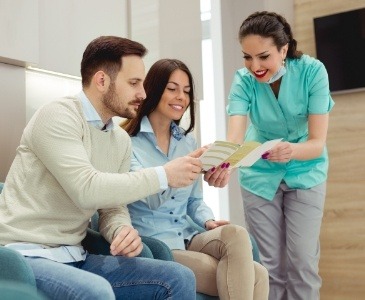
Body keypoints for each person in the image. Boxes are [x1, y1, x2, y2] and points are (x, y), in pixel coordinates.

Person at [0, 36, 205, 299]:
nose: (143, 93)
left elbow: (112, 207)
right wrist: (163, 175)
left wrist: (120, 230)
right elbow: (87, 189)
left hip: (76, 255)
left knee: (177, 277)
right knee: (96, 291)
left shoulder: (118, 139)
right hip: (26, 255)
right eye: (133, 83)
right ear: (101, 81)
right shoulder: (57, 116)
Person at [123, 58, 269, 300]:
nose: (181, 96)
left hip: (188, 235)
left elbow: (194, 201)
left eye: (187, 91)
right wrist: (179, 169)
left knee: (237, 235)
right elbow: (150, 200)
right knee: (257, 276)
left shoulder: (187, 142)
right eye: (172, 89)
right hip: (156, 244)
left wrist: (208, 221)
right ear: (153, 89)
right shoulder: (127, 143)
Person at [226, 11, 335, 300]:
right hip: (259, 175)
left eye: (263, 56)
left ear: (283, 49)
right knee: (268, 267)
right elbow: (235, 138)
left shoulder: (313, 72)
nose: (255, 66)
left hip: (305, 170)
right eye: (247, 57)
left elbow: (316, 142)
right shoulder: (243, 80)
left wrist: (291, 151)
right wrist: (223, 162)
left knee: (302, 262)